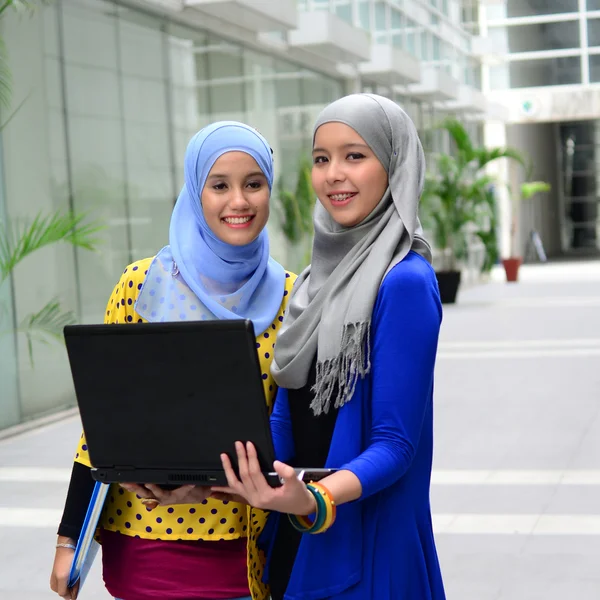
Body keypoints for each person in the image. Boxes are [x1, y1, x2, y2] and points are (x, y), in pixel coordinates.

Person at [211, 94, 446, 599]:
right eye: (321, 159)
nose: (333, 174)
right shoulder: (316, 281)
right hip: (299, 541)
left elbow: (395, 445)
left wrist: (314, 500)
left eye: (354, 155)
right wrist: (222, 476)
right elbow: (288, 416)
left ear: (394, 166)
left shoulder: (404, 282)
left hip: (367, 546)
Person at [50, 121, 295, 600]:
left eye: (253, 184)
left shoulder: (293, 297)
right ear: (195, 192)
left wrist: (211, 482)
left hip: (247, 544)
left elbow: (292, 433)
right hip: (146, 539)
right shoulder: (141, 286)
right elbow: (100, 422)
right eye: (219, 185)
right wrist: (68, 538)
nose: (239, 202)